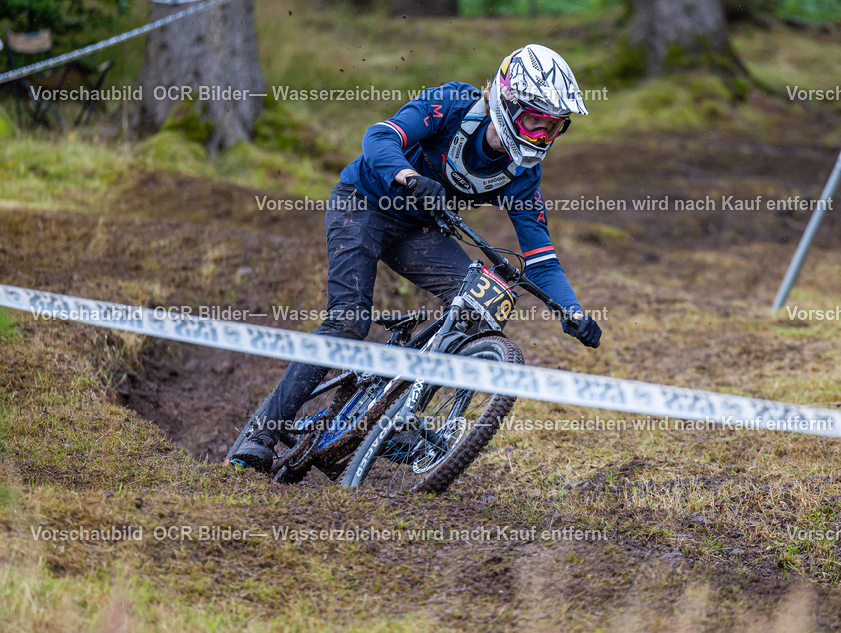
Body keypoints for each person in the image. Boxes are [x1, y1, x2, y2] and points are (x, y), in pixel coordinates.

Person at [230, 43, 602, 472]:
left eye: (553, 128)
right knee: (349, 320)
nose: (541, 137)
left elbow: (542, 260)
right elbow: (379, 137)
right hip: (362, 203)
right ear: (507, 101)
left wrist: (572, 311)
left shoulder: (523, 174)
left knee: (479, 309)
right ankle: (263, 432)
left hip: (418, 230)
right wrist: (408, 176)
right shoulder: (453, 103)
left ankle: (389, 417)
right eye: (534, 122)